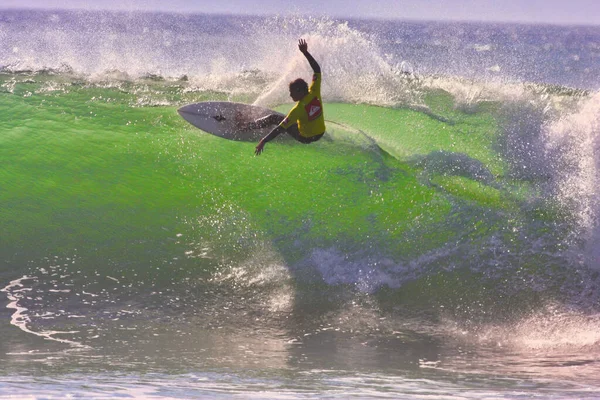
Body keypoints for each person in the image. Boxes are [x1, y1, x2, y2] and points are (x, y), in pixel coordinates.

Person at [252, 39, 325, 155]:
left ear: (299, 91)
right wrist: (305, 52)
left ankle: (246, 125)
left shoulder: (298, 110)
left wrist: (264, 140)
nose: (290, 95)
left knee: (274, 118)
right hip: (320, 134)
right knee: (292, 119)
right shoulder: (315, 91)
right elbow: (317, 69)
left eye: (292, 92)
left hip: (305, 138)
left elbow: (279, 129)